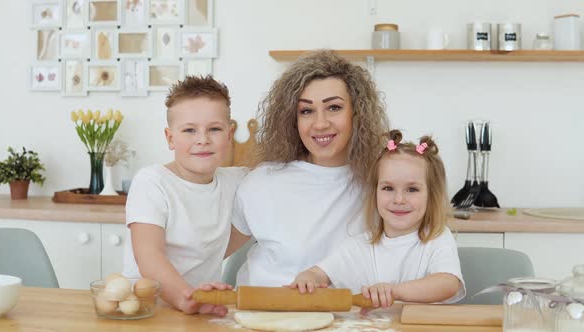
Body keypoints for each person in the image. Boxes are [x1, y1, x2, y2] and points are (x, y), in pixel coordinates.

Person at [226, 50, 390, 287]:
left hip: (348, 319)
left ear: (357, 114)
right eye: (306, 111)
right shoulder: (262, 182)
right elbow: (209, 256)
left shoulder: (381, 184)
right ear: (293, 120)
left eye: (334, 107)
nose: (320, 123)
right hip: (263, 315)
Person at [290, 129, 466, 311]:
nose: (399, 199)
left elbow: (448, 283)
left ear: (432, 195)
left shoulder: (437, 238)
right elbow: (319, 273)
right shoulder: (359, 246)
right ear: (375, 192)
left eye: (412, 189)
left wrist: (394, 291)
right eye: (388, 188)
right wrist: (308, 279)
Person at [122, 76, 248, 316]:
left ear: (229, 135)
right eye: (190, 130)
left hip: (200, 310)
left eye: (215, 129)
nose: (203, 139)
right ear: (171, 138)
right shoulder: (152, 182)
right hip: (147, 310)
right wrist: (186, 297)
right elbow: (149, 256)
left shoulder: (237, 181)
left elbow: (278, 179)